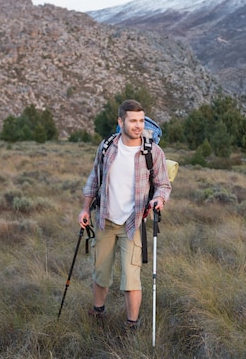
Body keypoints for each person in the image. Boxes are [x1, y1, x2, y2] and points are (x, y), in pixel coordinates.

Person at [78, 99, 172, 331]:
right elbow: (94, 179)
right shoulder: (107, 147)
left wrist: (159, 199)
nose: (138, 125)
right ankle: (98, 312)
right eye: (133, 121)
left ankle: (132, 325)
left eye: (141, 120)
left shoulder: (153, 152)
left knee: (131, 279)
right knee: (100, 272)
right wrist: (85, 208)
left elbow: (163, 185)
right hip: (105, 221)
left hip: (133, 224)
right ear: (121, 122)